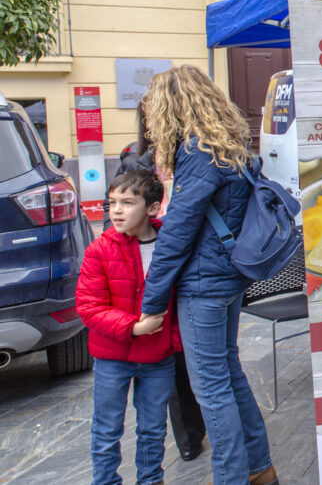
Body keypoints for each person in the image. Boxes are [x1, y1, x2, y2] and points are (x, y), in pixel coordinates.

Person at [139, 65, 277, 485]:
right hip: (228, 279)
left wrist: (151, 303)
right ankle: (260, 470)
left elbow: (176, 236)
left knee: (212, 391)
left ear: (171, 108)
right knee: (230, 377)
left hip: (204, 286)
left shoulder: (197, 153)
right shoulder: (229, 146)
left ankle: (232, 477)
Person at [104, 99, 207, 462]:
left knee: (183, 350)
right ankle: (187, 438)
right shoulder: (135, 159)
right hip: (146, 259)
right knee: (158, 345)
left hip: (184, 258)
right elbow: (115, 211)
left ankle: (195, 427)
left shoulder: (193, 153)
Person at [76, 170, 179, 485]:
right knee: (107, 428)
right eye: (112, 203)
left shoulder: (171, 247)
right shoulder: (100, 250)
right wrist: (134, 327)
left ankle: (150, 479)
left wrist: (172, 341)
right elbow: (89, 307)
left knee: (153, 427)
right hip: (113, 358)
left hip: (158, 357)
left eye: (127, 202)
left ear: (151, 208)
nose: (116, 210)